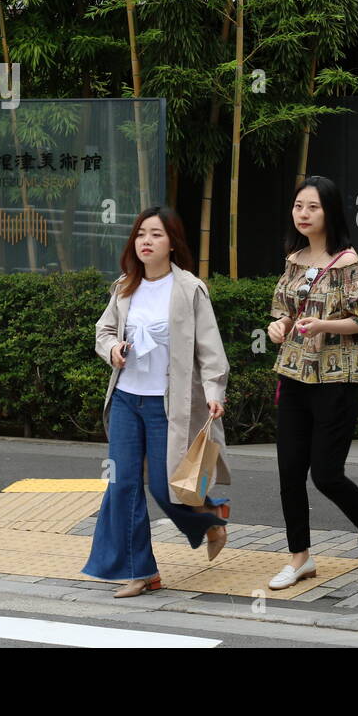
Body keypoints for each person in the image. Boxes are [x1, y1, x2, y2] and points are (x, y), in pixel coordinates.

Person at [83, 206, 232, 597]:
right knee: (122, 486)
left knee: (168, 489)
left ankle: (211, 518)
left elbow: (210, 350)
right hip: (127, 400)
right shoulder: (125, 286)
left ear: (172, 242)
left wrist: (215, 394)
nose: (146, 241)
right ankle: (142, 572)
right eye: (141, 235)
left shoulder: (189, 289)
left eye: (156, 235)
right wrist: (113, 348)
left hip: (170, 405)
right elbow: (104, 331)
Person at [265, 176, 358, 590]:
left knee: (326, 473)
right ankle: (300, 556)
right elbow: (283, 311)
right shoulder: (294, 258)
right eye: (298, 206)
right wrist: (277, 327)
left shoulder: (347, 263)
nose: (303, 214)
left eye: (313, 207)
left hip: (336, 376)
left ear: (330, 213)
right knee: (288, 473)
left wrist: (323, 324)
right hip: (295, 372)